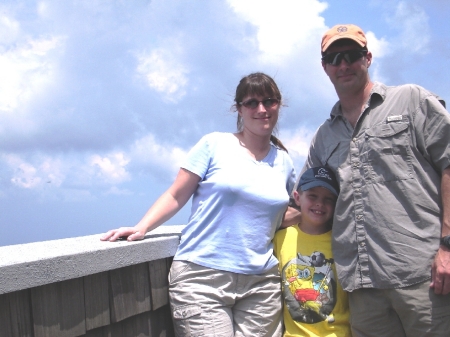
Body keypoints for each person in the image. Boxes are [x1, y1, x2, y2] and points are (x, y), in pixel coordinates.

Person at [100, 72, 296, 337]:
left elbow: (281, 214)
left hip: (262, 285)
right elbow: (176, 195)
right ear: (238, 108)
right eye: (252, 102)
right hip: (202, 277)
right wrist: (142, 226)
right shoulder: (214, 144)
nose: (261, 109)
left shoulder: (284, 161)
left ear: (278, 105)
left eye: (269, 101)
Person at [301, 23, 450, 336]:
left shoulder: (412, 101)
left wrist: (448, 246)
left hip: (424, 277)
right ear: (324, 67)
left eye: (351, 55)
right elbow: (305, 199)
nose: (343, 64)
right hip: (361, 288)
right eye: (335, 57)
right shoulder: (323, 137)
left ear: (367, 58)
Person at [274, 166, 351, 337]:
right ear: (297, 198)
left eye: (328, 199)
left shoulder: (343, 241)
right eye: (312, 196)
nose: (320, 203)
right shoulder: (280, 238)